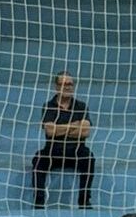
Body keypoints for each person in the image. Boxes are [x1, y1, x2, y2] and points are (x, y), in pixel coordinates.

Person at [31, 72, 95, 209]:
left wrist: (59, 129)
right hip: (53, 151)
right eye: (63, 84)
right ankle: (39, 202)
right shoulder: (49, 106)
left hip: (76, 151)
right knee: (38, 159)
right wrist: (75, 125)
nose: (67, 87)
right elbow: (49, 131)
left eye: (70, 84)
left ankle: (84, 201)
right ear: (56, 87)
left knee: (89, 158)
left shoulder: (81, 106)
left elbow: (85, 131)